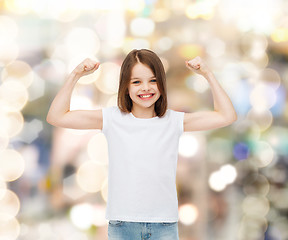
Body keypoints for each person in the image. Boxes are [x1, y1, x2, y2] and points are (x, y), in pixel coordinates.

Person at [47, 49, 237, 240]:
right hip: (123, 225)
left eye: (153, 81)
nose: (146, 88)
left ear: (161, 84)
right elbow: (56, 116)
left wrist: (208, 74)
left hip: (164, 225)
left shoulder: (173, 121)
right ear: (126, 87)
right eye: (136, 82)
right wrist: (76, 75)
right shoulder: (112, 119)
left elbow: (226, 115)